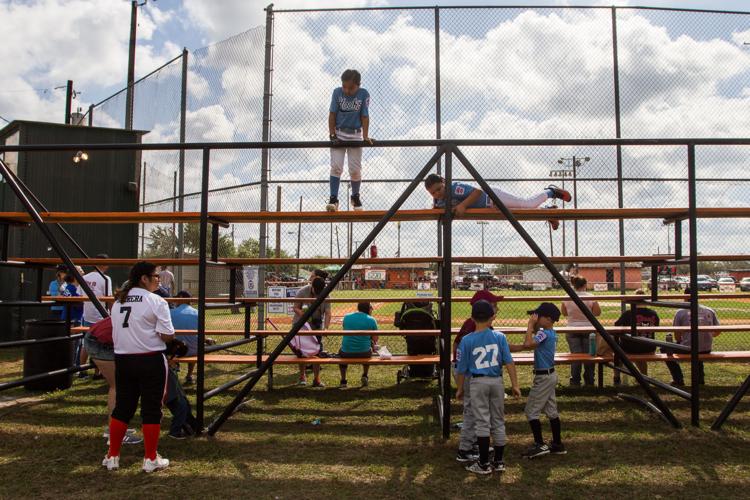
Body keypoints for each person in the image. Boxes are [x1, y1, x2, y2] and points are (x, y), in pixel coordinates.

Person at [102, 261, 174, 473]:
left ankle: (112, 455)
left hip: (123, 359)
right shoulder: (156, 301)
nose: (158, 279)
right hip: (150, 358)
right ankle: (150, 458)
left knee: (123, 407)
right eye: (155, 276)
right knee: (151, 409)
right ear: (144, 278)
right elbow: (167, 335)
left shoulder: (118, 302)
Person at [455, 300, 520, 475]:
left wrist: (460, 388)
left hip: (477, 382)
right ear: (492, 317)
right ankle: (498, 461)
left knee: (482, 422)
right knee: (498, 420)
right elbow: (509, 362)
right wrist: (515, 384)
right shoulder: (500, 337)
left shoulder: (467, 340)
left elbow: (461, 368)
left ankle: (483, 463)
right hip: (497, 381)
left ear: (472, 318)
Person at [453, 290, 503, 464]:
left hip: (472, 372)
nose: (497, 308)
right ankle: (465, 449)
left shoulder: (484, 326)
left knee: (476, 411)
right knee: (471, 412)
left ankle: (474, 442)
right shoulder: (472, 325)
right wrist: (462, 377)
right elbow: (459, 348)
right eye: (494, 305)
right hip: (468, 373)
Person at [424, 173, 571, 229]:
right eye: (433, 192)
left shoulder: (454, 187)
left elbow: (477, 191)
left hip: (492, 196)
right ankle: (548, 212)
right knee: (521, 214)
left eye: (439, 189)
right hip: (490, 207)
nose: (437, 193)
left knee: (526, 204)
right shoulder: (439, 201)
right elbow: (438, 209)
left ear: (444, 182)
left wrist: (463, 205)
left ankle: (551, 192)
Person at [516, 302, 566, 459]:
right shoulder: (551, 332)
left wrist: (530, 326)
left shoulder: (544, 333)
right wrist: (535, 325)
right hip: (550, 375)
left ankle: (539, 444)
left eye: (539, 317)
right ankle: (557, 444)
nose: (535, 319)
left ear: (548, 319)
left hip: (543, 377)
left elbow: (527, 344)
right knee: (551, 411)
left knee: (531, 411)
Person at [84, 317, 143, 446]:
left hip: (99, 338)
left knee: (121, 386)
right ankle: (115, 433)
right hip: (101, 342)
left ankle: (115, 427)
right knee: (117, 387)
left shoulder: (137, 305)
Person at [326, 69, 373, 212]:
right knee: (336, 167)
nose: (346, 90)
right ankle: (334, 199)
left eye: (351, 88)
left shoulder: (363, 94)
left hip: (355, 135)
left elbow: (365, 116)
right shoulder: (337, 92)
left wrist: (365, 136)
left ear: (358, 85)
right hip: (340, 134)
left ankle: (355, 196)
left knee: (355, 169)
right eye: (344, 86)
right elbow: (332, 114)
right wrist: (332, 134)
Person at [665, 288, 720, 387]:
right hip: (706, 349)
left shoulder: (681, 311)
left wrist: (681, 340)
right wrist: (708, 336)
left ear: (685, 297)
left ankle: (678, 379)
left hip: (689, 349)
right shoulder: (709, 310)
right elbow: (718, 331)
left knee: (664, 348)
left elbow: (677, 336)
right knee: (697, 346)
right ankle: (700, 380)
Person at [560, 276, 601, 387]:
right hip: (589, 329)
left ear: (574, 285)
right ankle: (589, 380)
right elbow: (597, 312)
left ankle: (575, 381)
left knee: (575, 356)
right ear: (585, 284)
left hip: (572, 328)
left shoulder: (567, 297)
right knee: (590, 355)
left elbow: (564, 313)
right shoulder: (590, 297)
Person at [292, 276, 331, 387]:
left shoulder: (326, 294)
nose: (318, 293)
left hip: (316, 326)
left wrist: (326, 328)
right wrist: (305, 316)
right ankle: (302, 377)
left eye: (320, 291)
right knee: (302, 352)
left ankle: (316, 379)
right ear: (312, 286)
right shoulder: (302, 291)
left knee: (317, 351)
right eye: (316, 291)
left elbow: (328, 312)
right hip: (302, 326)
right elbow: (295, 307)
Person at [613, 289, 659, 376]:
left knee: (618, 350)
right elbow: (656, 328)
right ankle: (644, 376)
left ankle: (616, 376)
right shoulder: (653, 313)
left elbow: (616, 325)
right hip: (649, 347)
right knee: (639, 344)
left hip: (630, 348)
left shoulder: (628, 313)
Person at [339, 302, 379, 388]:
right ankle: (365, 375)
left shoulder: (347, 317)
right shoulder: (371, 319)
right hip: (364, 353)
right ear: (368, 309)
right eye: (371, 308)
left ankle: (343, 380)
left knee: (341, 351)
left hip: (346, 352)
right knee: (368, 349)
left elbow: (344, 328)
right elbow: (375, 339)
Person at [171, 290, 199, 385]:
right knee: (194, 342)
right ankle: (189, 375)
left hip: (176, 352)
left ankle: (173, 373)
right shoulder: (197, 312)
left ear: (181, 297)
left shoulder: (171, 312)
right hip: (193, 352)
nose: (174, 300)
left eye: (176, 298)